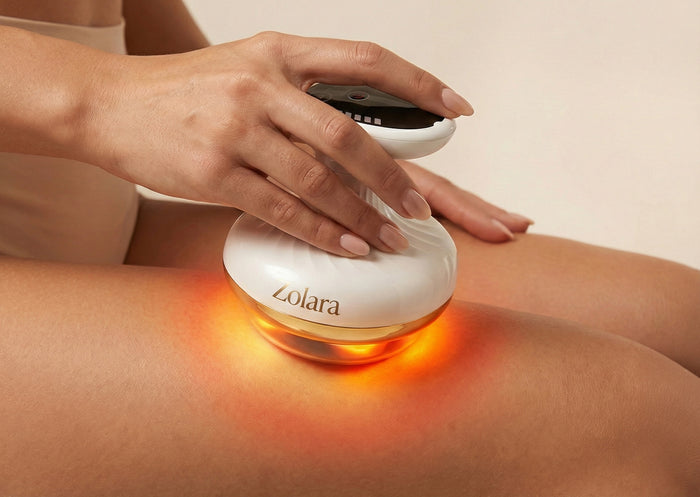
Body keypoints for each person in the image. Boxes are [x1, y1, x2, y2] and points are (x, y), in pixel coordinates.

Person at [1, 1, 698, 496]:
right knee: (634, 426)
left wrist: (267, 124)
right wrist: (101, 98)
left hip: (89, 196)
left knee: (681, 319)